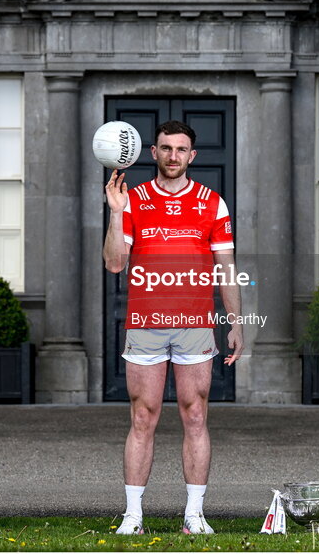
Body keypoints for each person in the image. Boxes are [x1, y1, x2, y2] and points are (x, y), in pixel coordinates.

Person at [103, 119, 244, 536]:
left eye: (181, 150)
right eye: (166, 148)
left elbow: (226, 268)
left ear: (192, 156)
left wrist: (235, 323)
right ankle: (133, 517)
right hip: (146, 323)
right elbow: (114, 263)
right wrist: (114, 214)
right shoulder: (134, 200)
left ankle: (194, 515)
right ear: (154, 152)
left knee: (195, 415)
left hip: (195, 324)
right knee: (143, 417)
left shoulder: (212, 203)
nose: (173, 156)